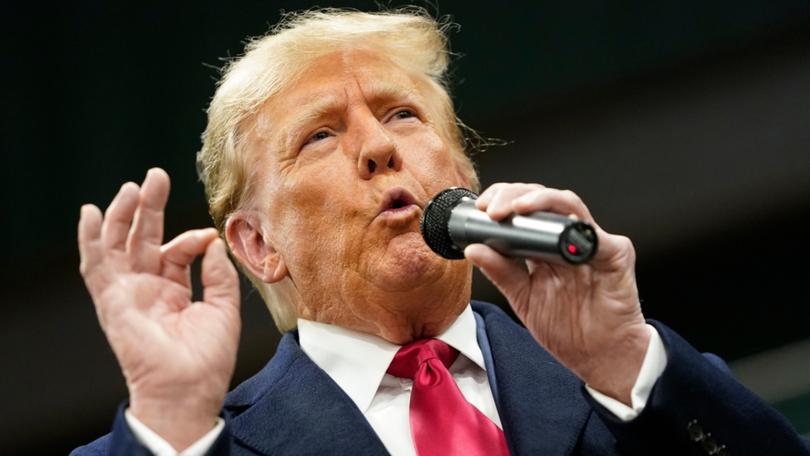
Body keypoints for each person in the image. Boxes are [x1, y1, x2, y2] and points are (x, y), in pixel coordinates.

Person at [72, 8, 809, 456]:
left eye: (402, 115)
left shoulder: (635, 387)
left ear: (462, 175)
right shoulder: (199, 448)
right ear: (259, 246)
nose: (379, 148)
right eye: (321, 136)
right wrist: (168, 418)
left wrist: (620, 357)